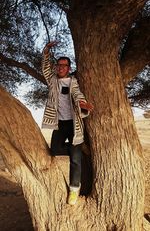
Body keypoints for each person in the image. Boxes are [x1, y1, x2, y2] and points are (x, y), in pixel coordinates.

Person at [41, 41, 93, 205]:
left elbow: (77, 95)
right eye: (59, 65)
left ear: (69, 68)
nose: (61, 68)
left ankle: (73, 191)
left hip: (73, 124)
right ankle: (77, 149)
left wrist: (83, 104)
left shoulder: (73, 82)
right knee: (55, 150)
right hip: (59, 124)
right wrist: (47, 51)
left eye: (64, 66)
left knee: (75, 161)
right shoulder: (52, 80)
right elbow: (45, 68)